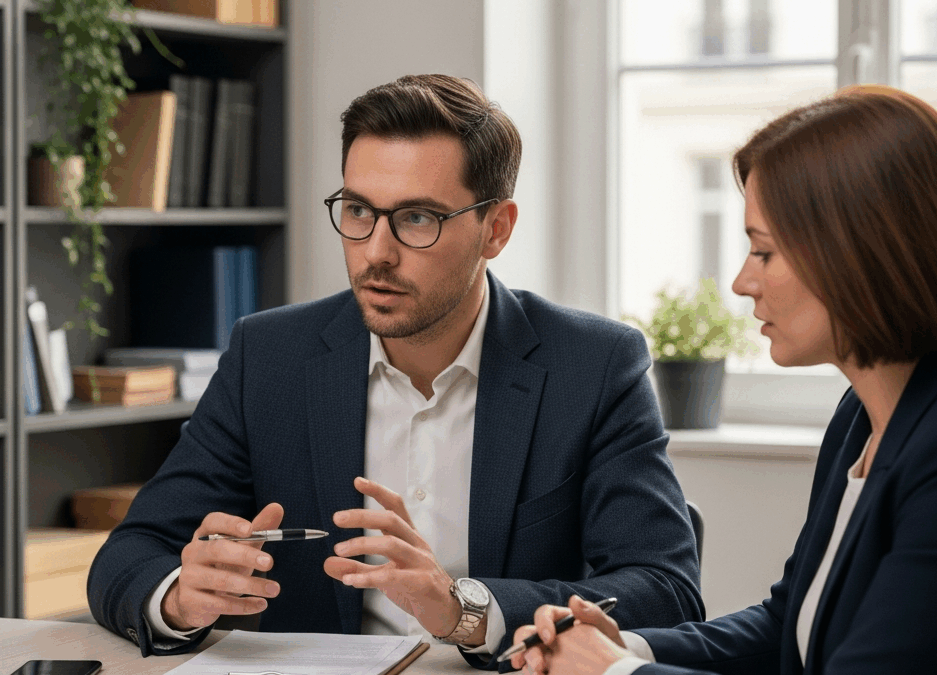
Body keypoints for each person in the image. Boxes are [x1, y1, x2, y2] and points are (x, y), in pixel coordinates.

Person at [88, 74, 703, 668]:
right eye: (358, 210)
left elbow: (666, 592)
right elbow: (129, 554)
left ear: (496, 229)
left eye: (417, 218)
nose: (376, 252)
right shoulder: (271, 356)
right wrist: (178, 596)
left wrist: (467, 610)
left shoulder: (592, 367)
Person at [510, 84, 937, 675]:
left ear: (858, 252)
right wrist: (629, 648)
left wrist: (613, 674)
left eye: (763, 252)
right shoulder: (859, 417)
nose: (742, 282)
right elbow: (785, 626)